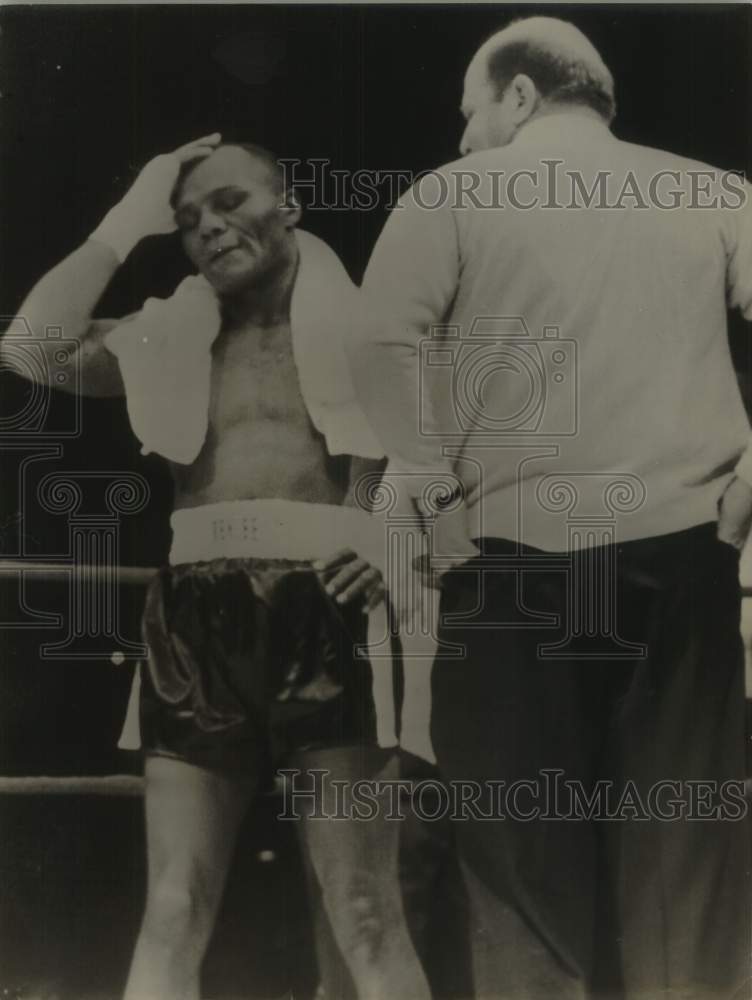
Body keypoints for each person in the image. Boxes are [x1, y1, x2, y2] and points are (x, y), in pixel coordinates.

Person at [351, 16, 752, 1000]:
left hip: (513, 561)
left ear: (519, 94)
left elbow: (375, 350)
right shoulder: (713, 192)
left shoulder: (448, 194)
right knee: (682, 871)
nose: (458, 137)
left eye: (467, 110)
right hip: (682, 555)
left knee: (519, 880)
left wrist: (435, 489)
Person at [7, 134, 432, 1000]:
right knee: (173, 903)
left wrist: (382, 530)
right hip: (194, 612)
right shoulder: (165, 335)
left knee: (362, 905)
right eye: (188, 218)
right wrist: (131, 218)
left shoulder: (376, 328)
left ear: (291, 206)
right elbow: (30, 348)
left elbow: (440, 452)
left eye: (231, 202)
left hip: (334, 605)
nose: (208, 227)